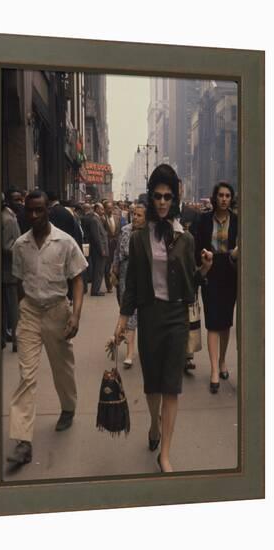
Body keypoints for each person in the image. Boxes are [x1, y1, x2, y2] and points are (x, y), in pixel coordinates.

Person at [114, 164, 213, 473]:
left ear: (174, 198)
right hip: (150, 315)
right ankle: (154, 425)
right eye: (157, 196)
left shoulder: (186, 238)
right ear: (151, 197)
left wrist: (205, 270)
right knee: (152, 385)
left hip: (175, 317)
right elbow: (132, 284)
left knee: (171, 386)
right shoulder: (139, 237)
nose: (161, 202)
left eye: (167, 196)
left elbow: (189, 282)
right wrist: (122, 319)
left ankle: (165, 454)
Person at [7, 190, 88, 470]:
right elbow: (19, 280)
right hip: (30, 311)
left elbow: (78, 279)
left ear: (47, 211)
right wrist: (22, 311)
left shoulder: (64, 242)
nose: (33, 216)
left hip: (57, 310)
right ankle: (22, 441)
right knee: (26, 376)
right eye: (29, 211)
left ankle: (68, 406)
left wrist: (75, 315)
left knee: (62, 368)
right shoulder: (20, 245)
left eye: (39, 210)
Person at [195, 182, 238, 394]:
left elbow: (240, 250)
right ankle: (213, 369)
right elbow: (197, 246)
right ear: (215, 197)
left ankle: (222, 361)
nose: (223, 199)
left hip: (230, 276)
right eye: (220, 195)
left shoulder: (238, 221)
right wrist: (203, 260)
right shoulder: (203, 220)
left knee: (225, 323)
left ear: (231, 198)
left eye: (227, 195)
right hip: (210, 273)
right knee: (212, 322)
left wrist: (233, 255)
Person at [112, 203, 146, 367]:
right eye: (134, 214)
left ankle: (144, 350)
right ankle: (130, 352)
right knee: (129, 312)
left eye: (140, 215)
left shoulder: (149, 233)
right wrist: (114, 269)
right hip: (126, 274)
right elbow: (118, 251)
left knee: (144, 315)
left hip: (145, 276)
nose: (136, 218)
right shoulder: (126, 230)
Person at [178, 178, 201, 372]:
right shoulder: (162, 215)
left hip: (189, 271)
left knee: (190, 314)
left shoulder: (192, 214)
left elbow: (199, 242)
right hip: (168, 275)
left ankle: (188, 355)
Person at [1, 194, 21, 351]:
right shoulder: (9, 219)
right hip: (9, 271)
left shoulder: (6, 217)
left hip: (5, 271)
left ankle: (6, 338)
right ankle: (16, 339)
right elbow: (8, 245)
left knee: (4, 309)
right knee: (13, 308)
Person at [89, 203, 109, 296]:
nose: (103, 211)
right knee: (98, 270)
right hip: (99, 251)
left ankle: (96, 289)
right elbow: (97, 237)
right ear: (96, 209)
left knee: (100, 270)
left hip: (101, 249)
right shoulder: (94, 220)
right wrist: (102, 250)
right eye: (101, 209)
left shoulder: (98, 219)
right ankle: (95, 290)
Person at [102, 200, 122, 293]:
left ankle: (117, 283)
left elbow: (120, 230)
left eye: (111, 208)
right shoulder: (102, 219)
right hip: (107, 244)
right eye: (108, 208)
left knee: (117, 264)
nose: (110, 210)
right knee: (107, 267)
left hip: (116, 243)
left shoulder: (117, 217)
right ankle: (108, 286)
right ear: (105, 209)